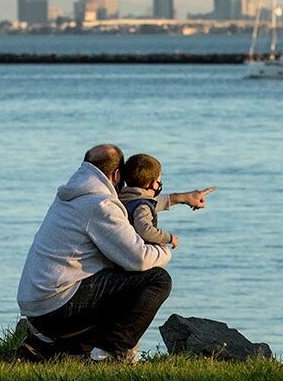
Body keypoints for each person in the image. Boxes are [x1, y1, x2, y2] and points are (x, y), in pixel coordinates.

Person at [16, 144, 215, 362]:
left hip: (37, 305)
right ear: (116, 175)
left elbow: (135, 202)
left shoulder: (77, 192)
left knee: (118, 276)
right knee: (156, 280)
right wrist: (164, 248)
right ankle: (111, 352)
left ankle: (47, 345)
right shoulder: (101, 204)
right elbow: (139, 259)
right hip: (57, 306)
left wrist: (181, 198)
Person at [118, 153, 178, 250]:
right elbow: (145, 230)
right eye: (158, 181)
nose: (160, 184)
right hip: (137, 250)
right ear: (152, 184)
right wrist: (169, 238)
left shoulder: (123, 197)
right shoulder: (143, 206)